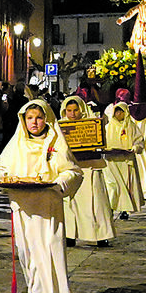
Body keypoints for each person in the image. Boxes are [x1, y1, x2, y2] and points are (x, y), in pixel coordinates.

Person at [0, 99, 82, 293]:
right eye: (29, 118)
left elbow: (72, 171)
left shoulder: (56, 143)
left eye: (39, 117)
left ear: (46, 119)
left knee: (50, 248)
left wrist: (59, 182)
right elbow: (1, 169)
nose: (34, 122)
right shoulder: (16, 144)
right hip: (24, 206)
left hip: (48, 204)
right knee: (29, 252)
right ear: (23, 121)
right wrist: (8, 179)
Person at [58, 95, 114, 248]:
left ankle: (101, 236)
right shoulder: (59, 127)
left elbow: (100, 143)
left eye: (76, 110)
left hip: (90, 167)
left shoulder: (92, 123)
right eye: (69, 110)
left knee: (97, 203)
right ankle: (70, 235)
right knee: (70, 205)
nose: (73, 113)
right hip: (70, 169)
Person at [102, 88, 146, 220]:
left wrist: (134, 148)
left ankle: (124, 209)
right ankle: (110, 206)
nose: (119, 114)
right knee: (113, 185)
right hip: (111, 161)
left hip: (126, 161)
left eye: (121, 111)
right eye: (117, 111)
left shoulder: (131, 126)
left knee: (126, 186)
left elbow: (139, 141)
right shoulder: (108, 127)